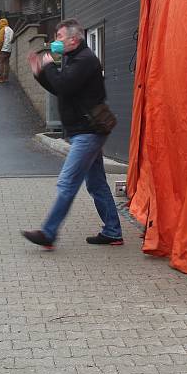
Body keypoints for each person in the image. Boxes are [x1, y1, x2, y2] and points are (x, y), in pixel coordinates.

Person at [22, 18, 123, 248]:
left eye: (59, 37)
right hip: (85, 131)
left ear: (74, 39)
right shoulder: (72, 58)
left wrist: (48, 66)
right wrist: (40, 73)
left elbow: (64, 85)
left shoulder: (85, 61)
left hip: (88, 132)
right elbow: (60, 89)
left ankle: (48, 233)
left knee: (68, 182)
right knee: (96, 183)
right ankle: (113, 231)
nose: (55, 42)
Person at [0, 18, 14, 83]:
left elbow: (1, 41)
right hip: (9, 49)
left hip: (3, 49)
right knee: (6, 64)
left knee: (1, 64)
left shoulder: (2, 30)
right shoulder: (11, 30)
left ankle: (0, 78)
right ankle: (6, 77)